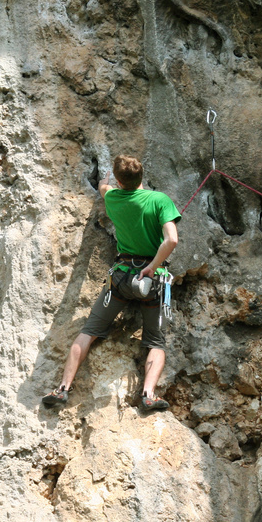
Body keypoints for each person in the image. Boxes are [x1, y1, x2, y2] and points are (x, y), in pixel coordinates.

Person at [42, 155, 181, 411]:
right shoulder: (160, 200)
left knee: (89, 331)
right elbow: (171, 240)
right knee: (155, 342)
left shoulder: (113, 197)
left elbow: (103, 187)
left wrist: (106, 180)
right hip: (152, 281)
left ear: (119, 181)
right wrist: (152, 266)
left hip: (122, 277)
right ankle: (148, 395)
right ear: (142, 175)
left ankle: (62, 389)